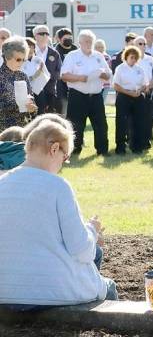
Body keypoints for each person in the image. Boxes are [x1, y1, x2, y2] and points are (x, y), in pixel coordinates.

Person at [0, 117, 118, 309]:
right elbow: (81, 250)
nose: (63, 164)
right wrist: (93, 230)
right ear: (54, 149)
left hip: (5, 293)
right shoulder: (58, 186)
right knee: (109, 287)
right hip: (51, 293)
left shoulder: (2, 183)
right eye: (65, 157)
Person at [60, 29, 112, 156]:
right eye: (86, 41)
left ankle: (102, 150)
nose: (89, 44)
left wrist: (104, 75)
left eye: (91, 41)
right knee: (76, 125)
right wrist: (80, 78)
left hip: (95, 96)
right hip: (78, 95)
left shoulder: (99, 56)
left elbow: (108, 73)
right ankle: (75, 150)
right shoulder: (72, 56)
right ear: (80, 42)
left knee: (101, 124)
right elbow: (64, 76)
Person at [112, 46, 148, 155]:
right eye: (132, 57)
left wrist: (140, 90)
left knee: (138, 122)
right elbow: (116, 85)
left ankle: (137, 147)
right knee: (121, 123)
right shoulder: (120, 68)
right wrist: (129, 93)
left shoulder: (139, 69)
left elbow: (145, 84)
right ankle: (120, 147)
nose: (134, 60)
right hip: (124, 96)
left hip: (137, 96)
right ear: (126, 57)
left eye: (136, 58)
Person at [0, 37, 38, 131]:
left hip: (21, 128)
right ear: (7, 57)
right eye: (18, 59)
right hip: (3, 129)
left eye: (23, 60)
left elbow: (31, 100)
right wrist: (16, 106)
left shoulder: (23, 76)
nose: (21, 63)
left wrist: (32, 108)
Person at [31, 25, 62, 114]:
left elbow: (59, 72)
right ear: (35, 36)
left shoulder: (54, 53)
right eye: (42, 33)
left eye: (47, 34)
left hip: (50, 90)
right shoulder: (30, 51)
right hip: (33, 90)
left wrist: (46, 76)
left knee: (48, 118)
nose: (45, 36)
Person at [54, 28, 77, 114]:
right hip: (60, 86)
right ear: (59, 39)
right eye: (66, 39)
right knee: (62, 110)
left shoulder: (76, 50)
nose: (69, 40)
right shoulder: (55, 52)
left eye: (70, 38)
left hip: (75, 84)